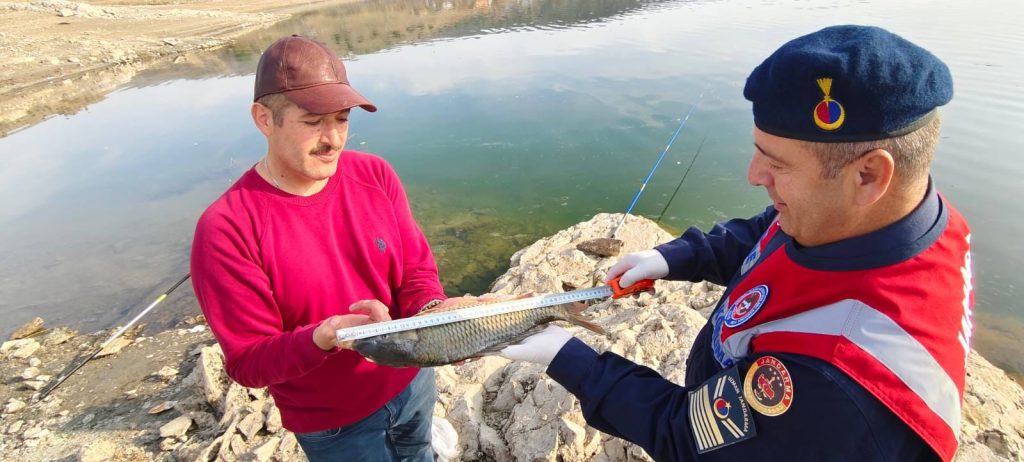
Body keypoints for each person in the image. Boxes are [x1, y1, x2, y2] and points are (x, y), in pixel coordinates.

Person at [501, 25, 973, 461]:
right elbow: (768, 232)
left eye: (777, 164)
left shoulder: (841, 380)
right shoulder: (884, 216)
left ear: (868, 175)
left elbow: (687, 434)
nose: (753, 176)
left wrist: (565, 355)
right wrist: (671, 258)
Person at [190, 35, 471, 461]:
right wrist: (321, 338)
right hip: (336, 425)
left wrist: (432, 312)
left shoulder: (375, 174)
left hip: (413, 383)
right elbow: (247, 362)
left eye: (341, 118)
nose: (333, 139)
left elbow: (415, 269)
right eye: (312, 121)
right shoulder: (226, 229)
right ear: (264, 119)